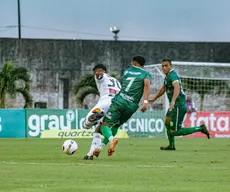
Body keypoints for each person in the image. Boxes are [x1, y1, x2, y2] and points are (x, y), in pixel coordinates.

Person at [93, 56, 152, 157]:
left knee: (104, 125)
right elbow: (146, 85)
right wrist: (145, 102)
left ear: (134, 62)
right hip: (132, 105)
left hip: (120, 101)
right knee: (116, 125)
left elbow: (124, 85)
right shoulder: (146, 74)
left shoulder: (127, 71)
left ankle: (112, 140)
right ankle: (100, 148)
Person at [148, 59, 210, 150]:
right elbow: (164, 88)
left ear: (171, 66)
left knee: (174, 131)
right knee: (167, 122)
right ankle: (171, 146)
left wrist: (172, 101)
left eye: (166, 66)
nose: (164, 68)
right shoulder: (167, 76)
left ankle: (200, 128)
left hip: (178, 106)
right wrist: (154, 98)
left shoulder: (173, 76)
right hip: (174, 105)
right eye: (163, 66)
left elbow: (176, 87)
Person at [83, 64, 121, 160]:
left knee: (85, 125)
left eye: (99, 71)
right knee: (99, 129)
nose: (97, 72)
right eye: (96, 71)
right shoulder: (116, 81)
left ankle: (94, 118)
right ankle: (90, 154)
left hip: (105, 102)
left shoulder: (100, 76)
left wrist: (99, 74)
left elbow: (99, 76)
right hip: (117, 104)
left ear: (103, 71)